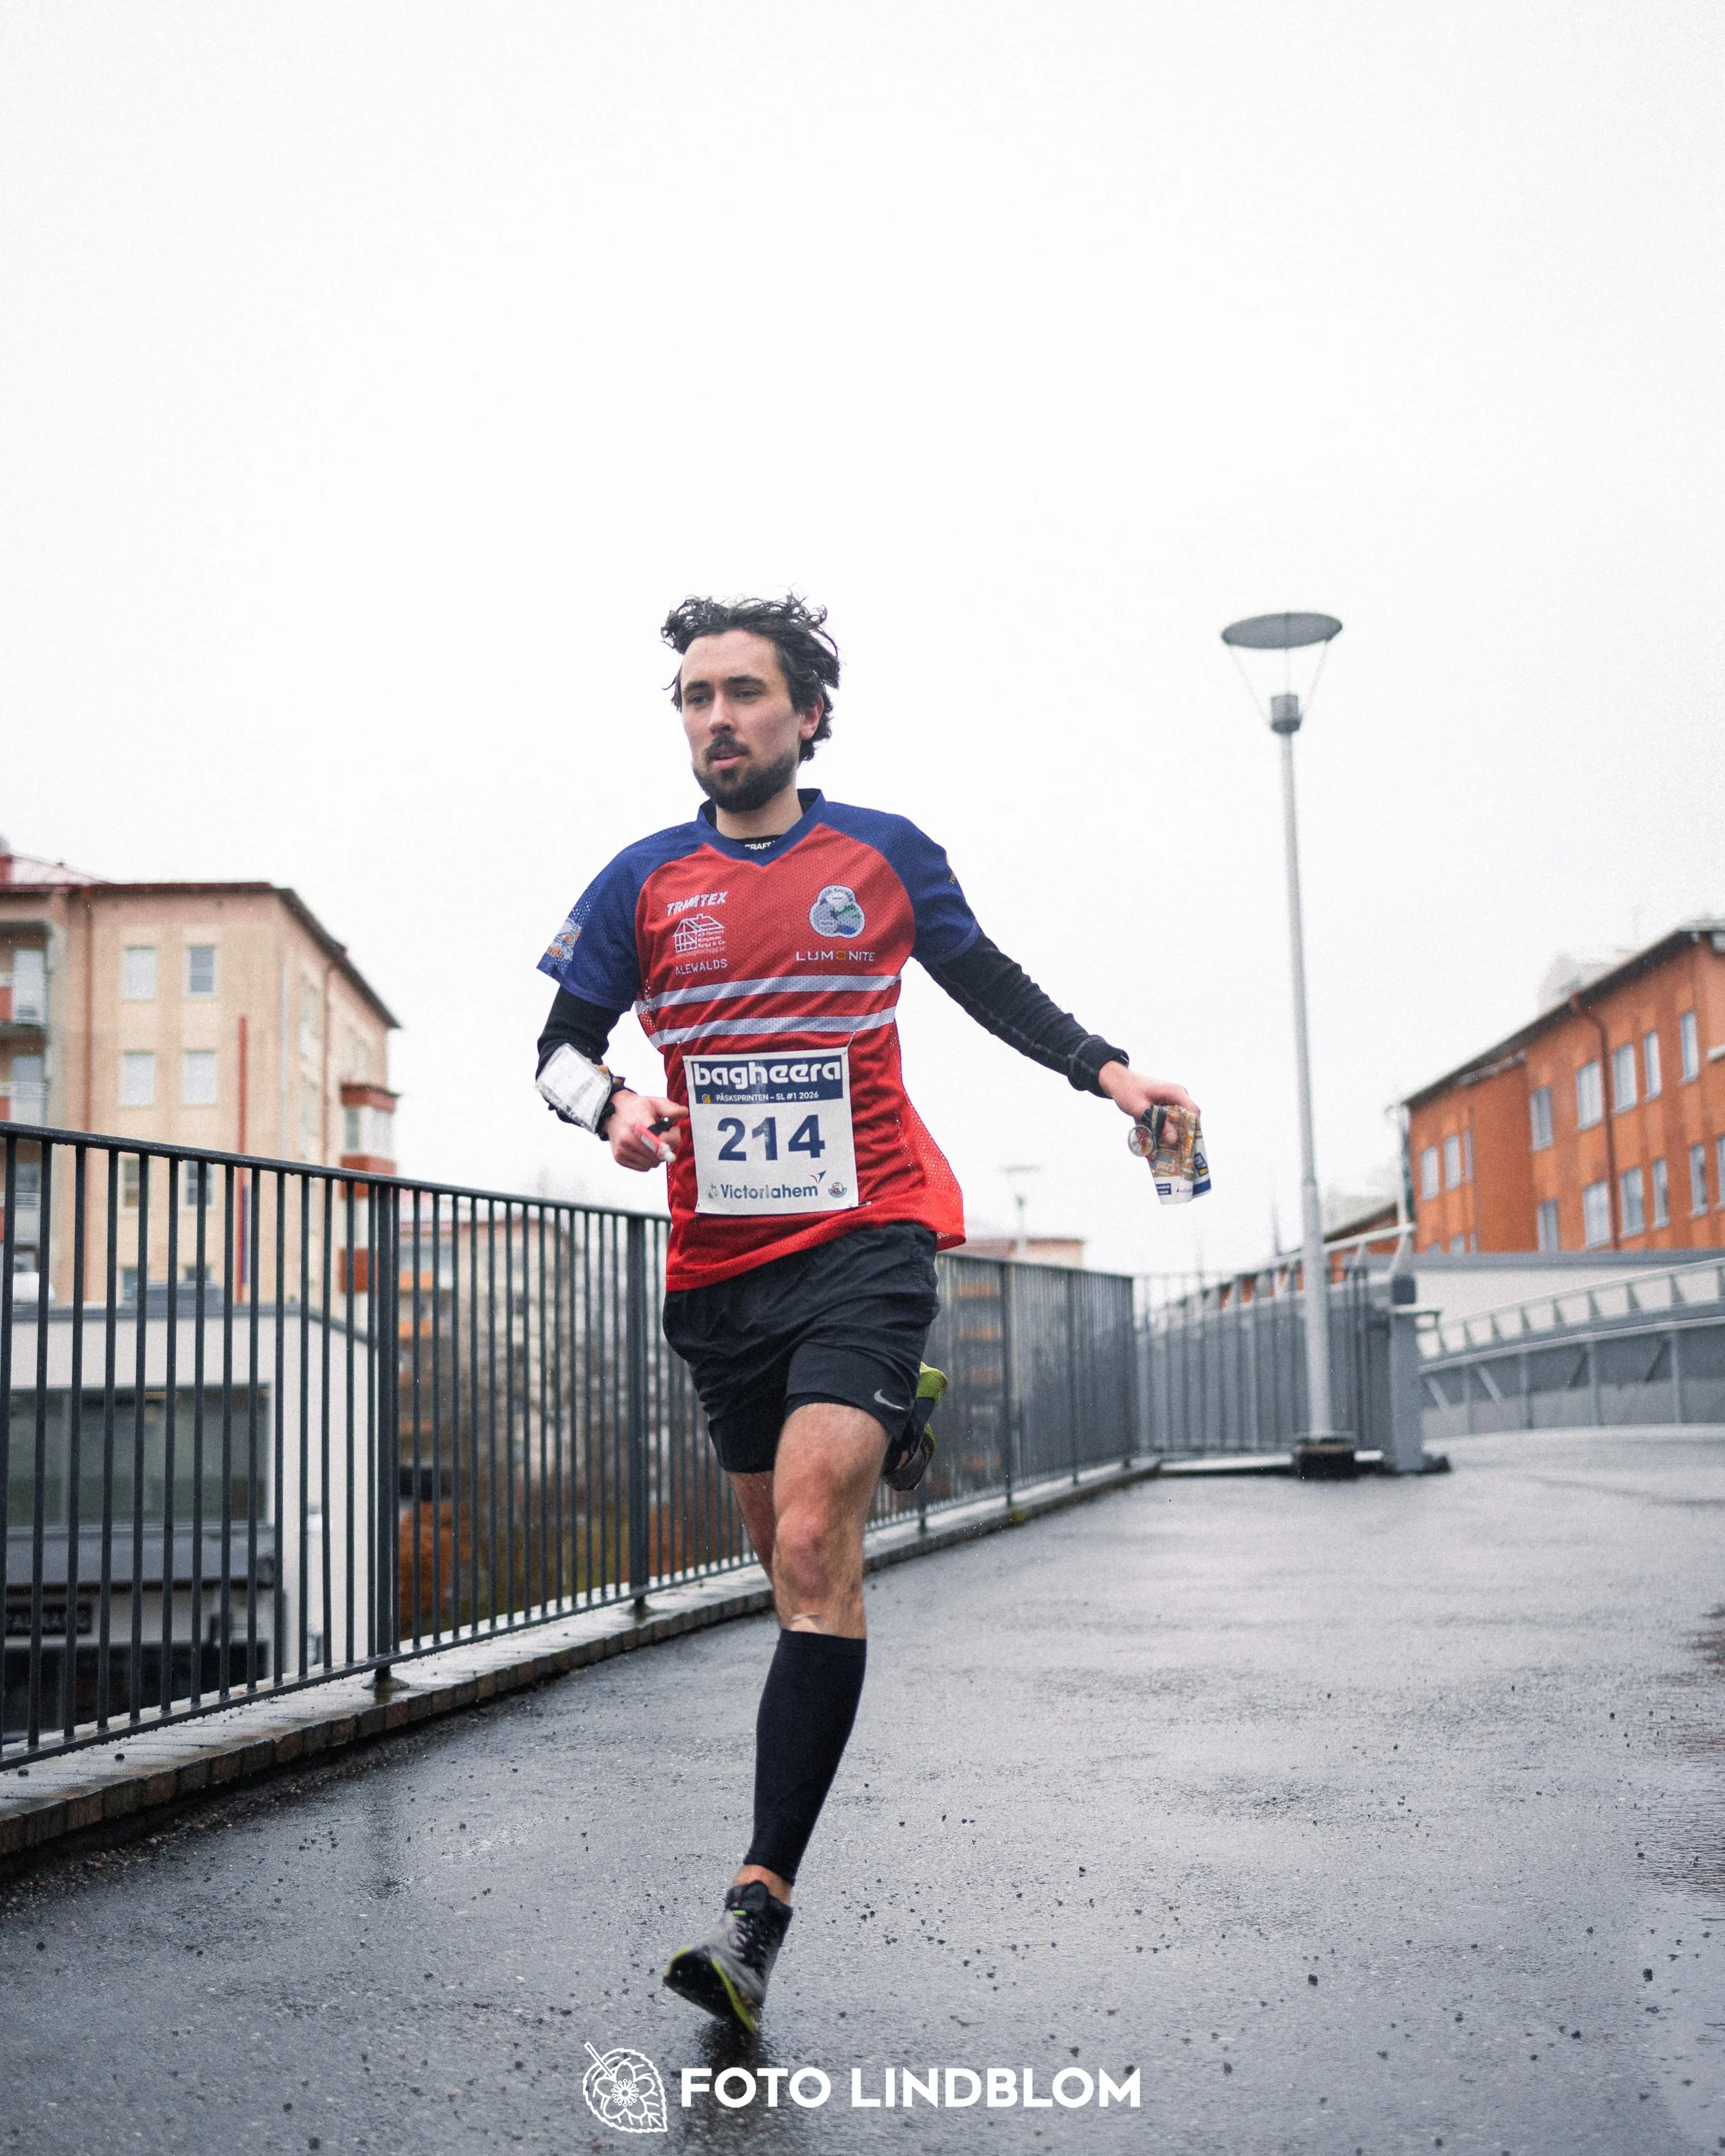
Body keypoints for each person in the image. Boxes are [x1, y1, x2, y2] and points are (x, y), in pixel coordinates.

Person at [534, 594, 1196, 2034]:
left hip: (868, 1236)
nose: (715, 717)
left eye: (743, 692)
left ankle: (754, 1909)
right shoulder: (640, 882)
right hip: (720, 1276)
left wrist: (1109, 1071)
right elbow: (555, 1053)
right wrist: (620, 1108)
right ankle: (904, 1411)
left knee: (805, 1541)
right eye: (694, 696)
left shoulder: (880, 854)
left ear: (806, 714)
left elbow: (983, 981)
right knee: (786, 1568)